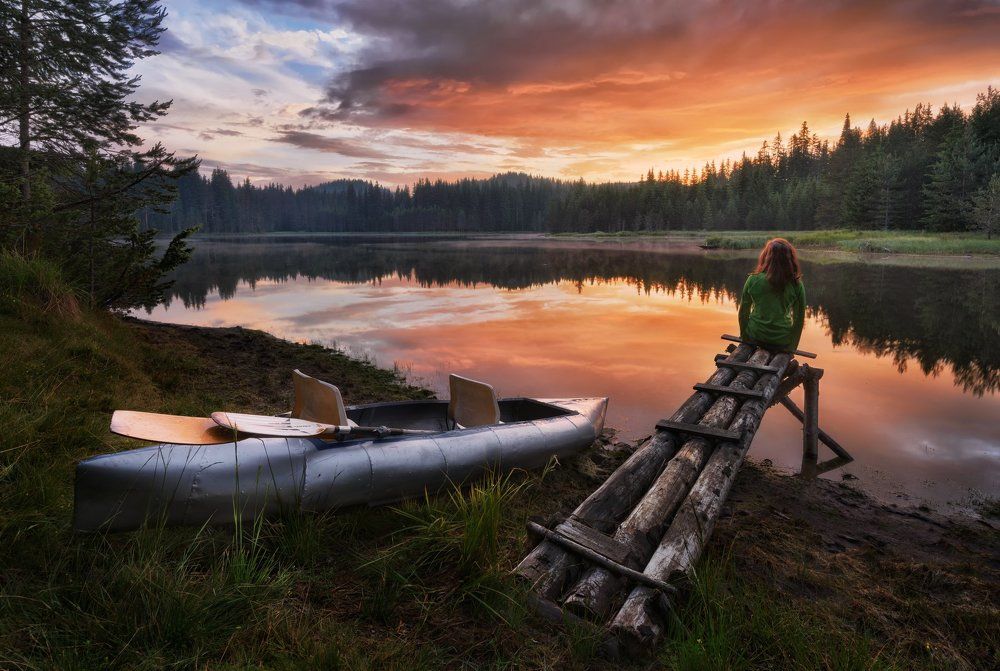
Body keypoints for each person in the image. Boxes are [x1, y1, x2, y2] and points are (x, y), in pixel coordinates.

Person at [738, 238, 806, 352]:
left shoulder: (753, 279)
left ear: (766, 257)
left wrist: (745, 337)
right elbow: (799, 319)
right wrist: (792, 347)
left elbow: (743, 312)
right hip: (781, 341)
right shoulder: (796, 284)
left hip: (755, 336)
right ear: (789, 259)